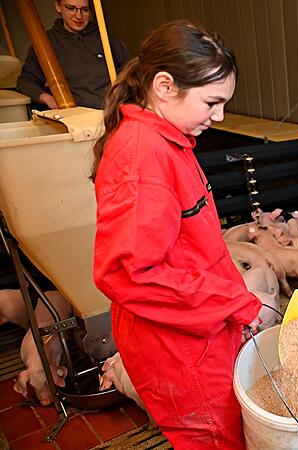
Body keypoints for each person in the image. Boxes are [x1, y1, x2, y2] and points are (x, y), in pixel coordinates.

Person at [91, 21, 260, 449]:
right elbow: (131, 273)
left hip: (197, 330)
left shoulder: (168, 142)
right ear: (165, 86)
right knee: (214, 438)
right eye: (212, 102)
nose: (219, 116)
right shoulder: (141, 157)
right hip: (178, 348)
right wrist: (232, 301)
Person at [16, 0, 131, 109]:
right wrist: (46, 98)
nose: (78, 16)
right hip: (72, 117)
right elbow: (26, 81)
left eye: (84, 10)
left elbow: (133, 75)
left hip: (110, 113)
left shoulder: (106, 39)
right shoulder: (46, 45)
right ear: (58, 6)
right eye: (71, 8)